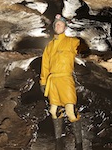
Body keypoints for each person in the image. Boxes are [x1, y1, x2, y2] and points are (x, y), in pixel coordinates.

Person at [40, 14, 83, 150]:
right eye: (56, 24)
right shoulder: (49, 46)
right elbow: (45, 65)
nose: (59, 26)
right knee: (54, 110)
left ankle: (79, 144)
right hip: (53, 81)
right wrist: (43, 81)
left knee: (70, 111)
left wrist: (85, 51)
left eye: (61, 24)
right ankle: (59, 142)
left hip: (65, 79)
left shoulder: (71, 41)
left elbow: (81, 48)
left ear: (65, 27)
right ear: (54, 27)